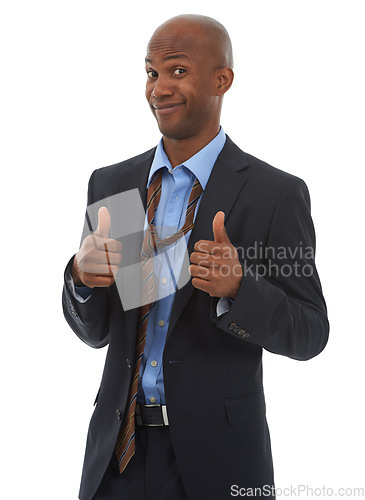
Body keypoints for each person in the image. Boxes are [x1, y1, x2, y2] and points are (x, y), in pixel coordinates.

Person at [62, 14, 329, 500]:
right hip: (115, 460)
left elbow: (310, 331)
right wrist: (81, 278)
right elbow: (97, 331)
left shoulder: (274, 194)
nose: (159, 87)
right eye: (151, 72)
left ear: (222, 79)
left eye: (177, 70)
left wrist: (241, 290)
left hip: (220, 461)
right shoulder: (113, 184)